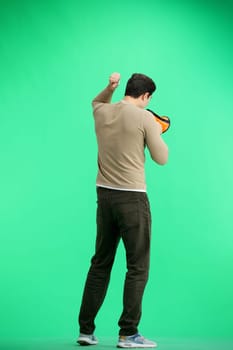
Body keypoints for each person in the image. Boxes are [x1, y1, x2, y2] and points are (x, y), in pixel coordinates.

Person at [77, 72, 169, 348]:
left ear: (126, 89)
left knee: (100, 263)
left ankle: (85, 330)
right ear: (146, 96)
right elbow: (161, 158)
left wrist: (109, 87)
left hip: (104, 197)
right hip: (133, 199)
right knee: (138, 267)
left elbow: (96, 101)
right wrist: (156, 128)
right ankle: (128, 333)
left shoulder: (102, 112)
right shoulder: (145, 118)